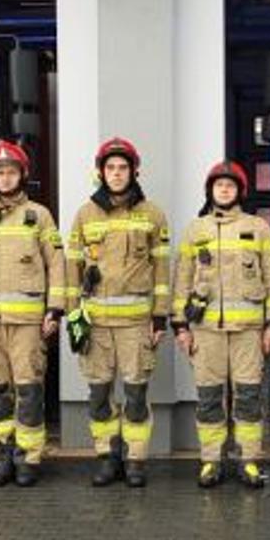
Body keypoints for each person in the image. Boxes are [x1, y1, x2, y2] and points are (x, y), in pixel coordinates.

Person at [0, 140, 69, 487]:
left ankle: (29, 458)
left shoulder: (39, 215)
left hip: (28, 322)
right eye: (0, 173)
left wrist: (55, 309)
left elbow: (57, 264)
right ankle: (2, 454)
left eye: (11, 172)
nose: (6, 178)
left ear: (22, 175)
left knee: (30, 389)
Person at [66, 137, 171, 488]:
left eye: (122, 167)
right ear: (101, 172)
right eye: (110, 168)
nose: (116, 173)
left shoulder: (153, 215)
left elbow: (161, 271)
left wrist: (160, 317)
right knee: (98, 395)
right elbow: (72, 272)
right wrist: (72, 317)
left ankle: (136, 460)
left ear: (134, 171)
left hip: (136, 324)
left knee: (137, 394)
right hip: (95, 325)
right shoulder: (84, 214)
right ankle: (107, 457)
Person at [172, 160, 270, 488]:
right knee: (209, 398)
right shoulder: (196, 230)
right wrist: (180, 326)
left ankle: (249, 460)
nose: (224, 190)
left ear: (240, 191)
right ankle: (210, 461)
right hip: (205, 332)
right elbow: (181, 280)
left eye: (230, 186)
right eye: (219, 186)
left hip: (249, 332)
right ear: (210, 191)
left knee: (249, 397)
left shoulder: (258, 228)